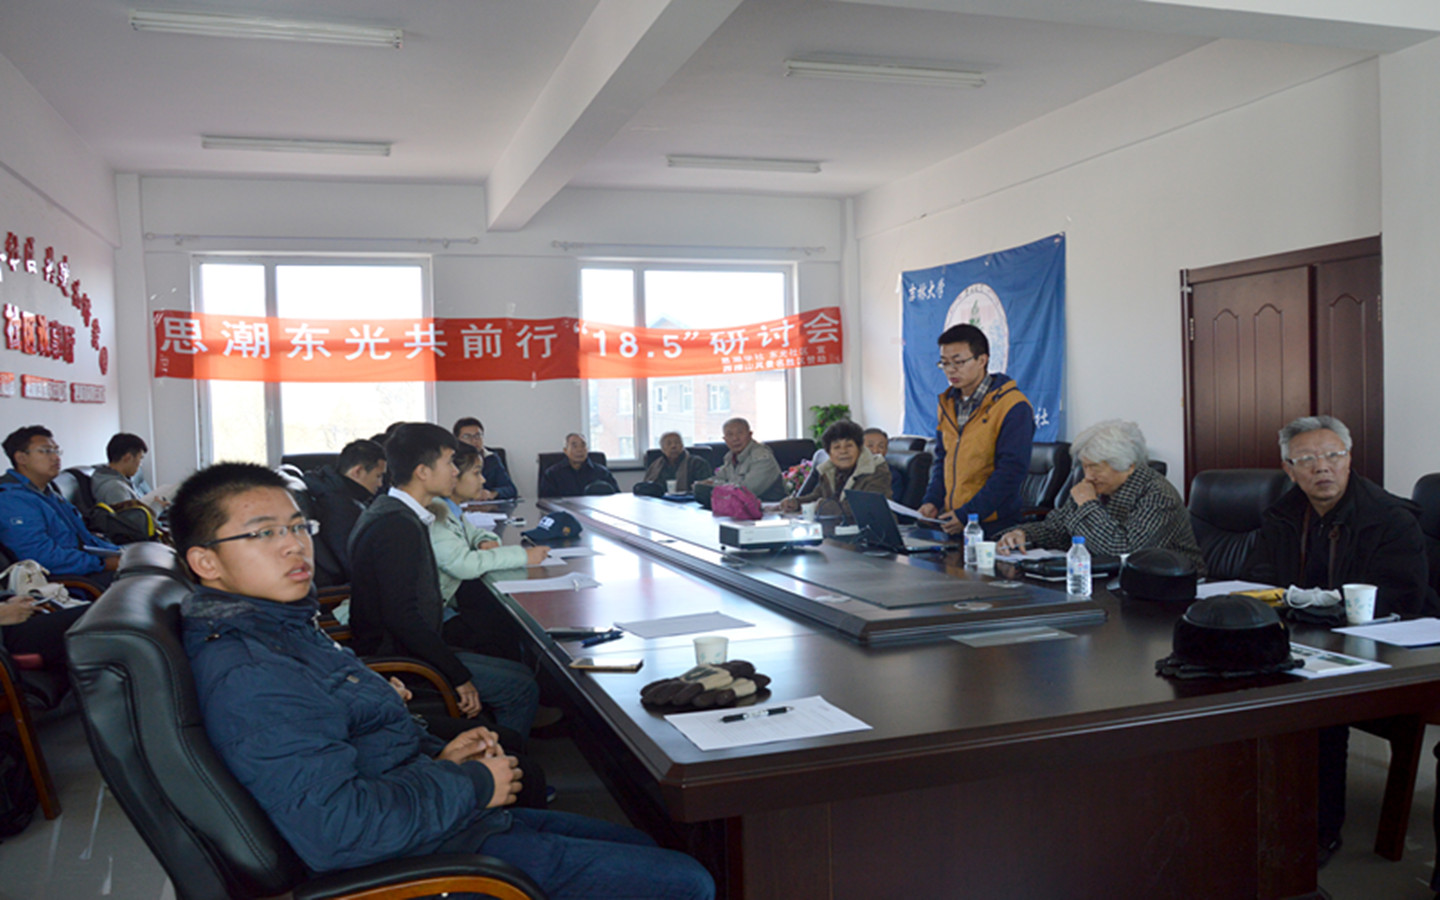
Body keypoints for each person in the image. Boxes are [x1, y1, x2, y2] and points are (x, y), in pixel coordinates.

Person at [173, 462, 714, 898]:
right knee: (686, 881)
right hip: (421, 860)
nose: (294, 545)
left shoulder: (279, 624)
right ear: (205, 562)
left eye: (297, 527)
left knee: (647, 846)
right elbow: (337, 832)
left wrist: (441, 760)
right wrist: (471, 782)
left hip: (435, 816)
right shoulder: (253, 674)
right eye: (264, 533)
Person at [1240, 414, 1438, 868]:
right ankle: (1254, 809)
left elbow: (1403, 597)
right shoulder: (1283, 515)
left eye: (1333, 455)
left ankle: (1318, 832)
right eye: (1307, 459)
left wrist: (1318, 607)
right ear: (1289, 469)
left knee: (1316, 703)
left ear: (1349, 460)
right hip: (1308, 640)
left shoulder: (1390, 518)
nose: (1322, 467)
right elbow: (1258, 580)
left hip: (1386, 651)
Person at [348, 423, 540, 740]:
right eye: (449, 462)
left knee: (519, 670)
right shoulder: (397, 526)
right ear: (423, 472)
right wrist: (457, 675)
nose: (455, 471)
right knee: (521, 687)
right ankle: (500, 760)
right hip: (402, 662)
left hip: (412, 648)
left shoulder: (401, 512)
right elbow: (403, 618)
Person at [996, 420, 1204, 571]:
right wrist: (1023, 534)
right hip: (1107, 578)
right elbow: (1058, 529)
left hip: (1171, 584)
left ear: (1128, 466)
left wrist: (1088, 505)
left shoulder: (1157, 495)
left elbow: (1122, 552)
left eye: (1095, 468)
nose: (1088, 476)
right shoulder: (1096, 485)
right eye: (1085, 467)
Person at [432, 443, 548, 659]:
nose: (483, 480)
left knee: (501, 619)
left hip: (450, 602)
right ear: (454, 475)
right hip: (439, 616)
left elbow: (473, 533)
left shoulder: (451, 509)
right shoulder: (437, 513)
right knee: (504, 626)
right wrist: (523, 555)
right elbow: (464, 564)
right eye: (477, 473)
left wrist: (484, 540)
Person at [917, 324, 1035, 536]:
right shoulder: (947, 404)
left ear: (982, 360)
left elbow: (1010, 471)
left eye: (958, 362)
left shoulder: (1013, 406)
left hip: (994, 525)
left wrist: (968, 515)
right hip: (952, 520)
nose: (951, 370)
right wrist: (932, 501)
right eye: (945, 363)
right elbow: (943, 459)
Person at [0, 425, 119, 581]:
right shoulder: (12, 500)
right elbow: (41, 557)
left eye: (56, 451)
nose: (56, 458)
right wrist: (103, 564)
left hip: (83, 567)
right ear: (21, 458)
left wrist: (118, 552)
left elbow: (84, 539)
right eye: (46, 451)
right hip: (66, 580)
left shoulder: (48, 492)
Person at [301, 439, 386, 587]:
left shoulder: (326, 487)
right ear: (358, 471)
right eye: (378, 476)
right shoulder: (343, 508)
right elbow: (355, 567)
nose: (380, 484)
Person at [780, 421, 891, 519]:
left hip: (872, 532)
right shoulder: (829, 470)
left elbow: (866, 507)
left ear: (859, 449)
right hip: (838, 529)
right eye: (837, 447)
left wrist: (820, 507)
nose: (843, 451)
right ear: (830, 454)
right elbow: (818, 495)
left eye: (849, 446)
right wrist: (796, 503)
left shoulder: (876, 469)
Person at [700, 418, 786, 502]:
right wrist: (705, 483)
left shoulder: (762, 456)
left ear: (750, 434)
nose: (735, 438)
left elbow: (746, 490)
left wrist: (715, 485)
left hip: (769, 507)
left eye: (740, 433)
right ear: (725, 439)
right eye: (730, 435)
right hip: (738, 507)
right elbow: (719, 476)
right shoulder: (730, 457)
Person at [454, 417, 518, 501]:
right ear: (456, 439)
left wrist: (492, 494)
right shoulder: (451, 459)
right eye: (467, 436)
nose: (474, 440)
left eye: (477, 435)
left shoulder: (491, 458)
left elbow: (510, 489)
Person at [90, 433, 159, 510]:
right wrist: (157, 507)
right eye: (140, 458)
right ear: (127, 458)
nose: (140, 464)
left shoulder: (106, 476)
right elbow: (131, 517)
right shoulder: (115, 488)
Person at [538, 433, 619, 498]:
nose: (579, 450)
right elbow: (546, 502)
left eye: (583, 445)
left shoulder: (602, 472)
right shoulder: (552, 474)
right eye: (574, 446)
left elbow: (616, 496)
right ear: (565, 450)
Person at [636, 432, 712, 495]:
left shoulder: (697, 463)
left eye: (677, 443)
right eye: (669, 444)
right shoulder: (655, 465)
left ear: (682, 446)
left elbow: (706, 488)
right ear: (662, 449)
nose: (673, 446)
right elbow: (647, 486)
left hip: (688, 502)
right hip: (661, 502)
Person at [863, 427, 906, 500]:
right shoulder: (849, 470)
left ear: (886, 451)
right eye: (870, 446)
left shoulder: (892, 476)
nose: (875, 451)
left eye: (881, 447)